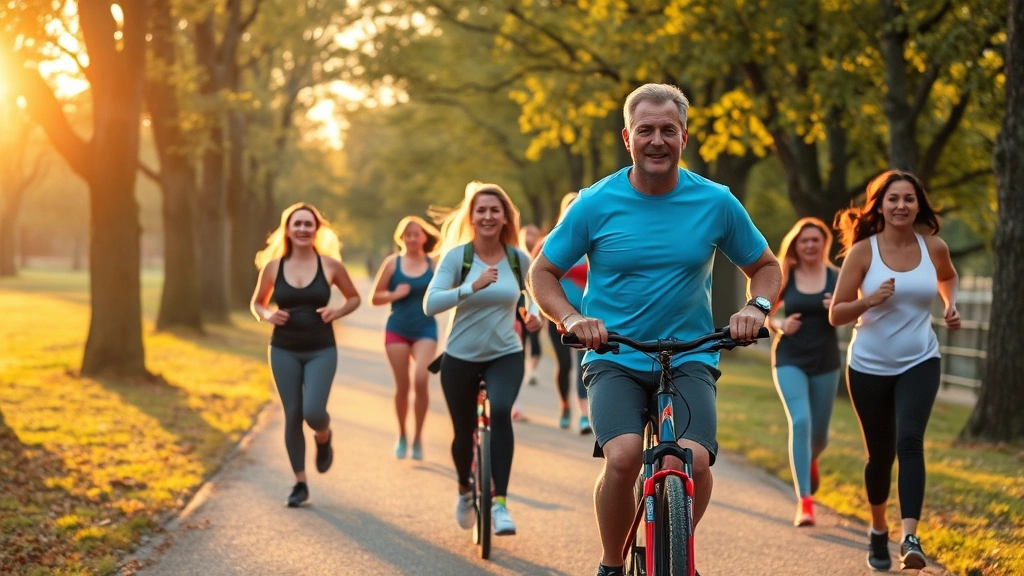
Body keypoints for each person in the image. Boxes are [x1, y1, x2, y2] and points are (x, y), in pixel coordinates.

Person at [527, 83, 781, 576]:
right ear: (628, 137)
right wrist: (574, 319)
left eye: (669, 130)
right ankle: (610, 564)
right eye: (646, 130)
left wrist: (758, 306)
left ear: (684, 136)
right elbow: (542, 273)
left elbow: (766, 266)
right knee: (622, 458)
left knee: (696, 462)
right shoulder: (594, 203)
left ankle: (676, 546)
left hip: (688, 353)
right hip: (614, 353)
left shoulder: (717, 202)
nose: (657, 140)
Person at [829, 170, 960, 572]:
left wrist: (949, 303)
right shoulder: (863, 252)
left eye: (908, 198)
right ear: (880, 206)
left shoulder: (933, 246)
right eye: (893, 199)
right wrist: (868, 301)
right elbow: (836, 314)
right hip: (868, 366)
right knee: (880, 455)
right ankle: (877, 529)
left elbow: (948, 277)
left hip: (921, 359)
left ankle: (910, 537)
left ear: (919, 204)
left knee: (910, 441)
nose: (901, 205)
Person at [424, 181, 542, 537]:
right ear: (471, 217)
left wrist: (533, 313)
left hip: (505, 353)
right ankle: (464, 489)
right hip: (459, 356)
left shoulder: (517, 258)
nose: (488, 216)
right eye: (481, 210)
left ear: (505, 216)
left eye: (495, 209)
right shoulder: (457, 258)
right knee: (463, 433)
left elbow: (534, 293)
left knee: (502, 410)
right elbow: (430, 304)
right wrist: (468, 288)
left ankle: (501, 504)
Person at [250, 202, 361, 507]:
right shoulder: (274, 267)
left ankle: (323, 437)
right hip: (283, 348)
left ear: (316, 229)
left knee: (313, 412)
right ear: (287, 229)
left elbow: (354, 298)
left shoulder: (330, 266)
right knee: (293, 414)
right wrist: (267, 315)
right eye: (296, 224)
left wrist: (337, 311)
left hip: (321, 348)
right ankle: (300, 483)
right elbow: (257, 303)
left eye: (308, 224)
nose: (302, 229)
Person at [767, 217, 841, 527]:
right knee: (800, 421)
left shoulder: (837, 277)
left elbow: (854, 310)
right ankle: (805, 501)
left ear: (825, 244)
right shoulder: (786, 276)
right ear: (796, 245)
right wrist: (781, 324)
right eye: (804, 240)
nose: (810, 245)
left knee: (820, 436)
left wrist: (837, 304)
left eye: (816, 240)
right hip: (789, 357)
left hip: (826, 360)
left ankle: (810, 458)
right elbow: (764, 312)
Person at [371, 216, 441, 461]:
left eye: (416, 234)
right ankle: (402, 434)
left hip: (425, 330)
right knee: (403, 386)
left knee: (420, 379)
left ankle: (418, 437)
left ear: (424, 237)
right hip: (397, 329)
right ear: (401, 238)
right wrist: (394, 294)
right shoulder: (392, 264)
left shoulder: (435, 263)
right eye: (407, 234)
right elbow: (375, 297)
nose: (412, 238)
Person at [532, 192, 592, 433]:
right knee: (565, 364)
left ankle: (584, 415)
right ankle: (565, 405)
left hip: (585, 314)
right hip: (556, 317)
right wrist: (535, 313)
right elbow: (536, 281)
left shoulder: (592, 242)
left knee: (582, 363)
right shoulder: (547, 243)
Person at [519, 224, 544, 388]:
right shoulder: (516, 257)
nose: (529, 238)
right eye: (526, 234)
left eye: (532, 235)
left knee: (535, 342)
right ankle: (521, 372)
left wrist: (538, 311)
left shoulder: (541, 256)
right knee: (520, 344)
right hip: (517, 310)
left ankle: (531, 371)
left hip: (535, 308)